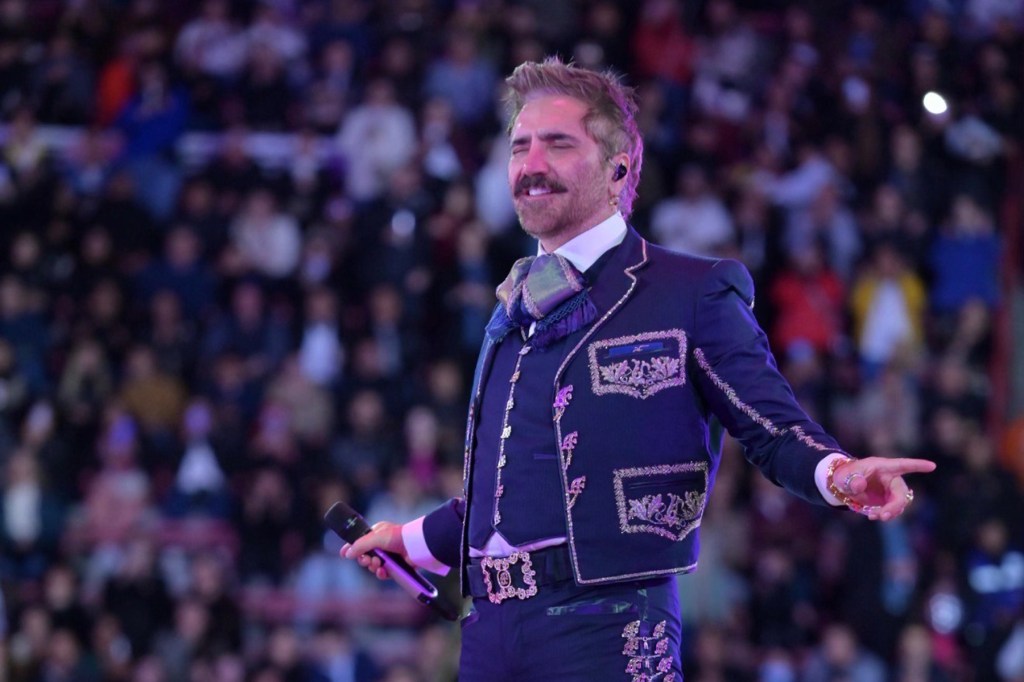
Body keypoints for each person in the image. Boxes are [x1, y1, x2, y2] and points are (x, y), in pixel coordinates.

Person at [340, 57, 935, 682]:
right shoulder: (512, 306)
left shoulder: (691, 290)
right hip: (489, 634)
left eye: (558, 144)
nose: (530, 165)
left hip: (611, 624)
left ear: (618, 165)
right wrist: (409, 541)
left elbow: (769, 425)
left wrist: (838, 471)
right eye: (520, 147)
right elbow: (513, 490)